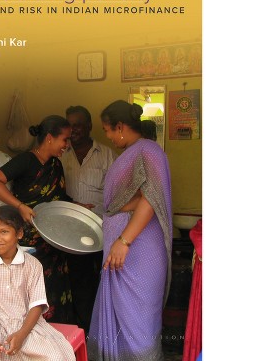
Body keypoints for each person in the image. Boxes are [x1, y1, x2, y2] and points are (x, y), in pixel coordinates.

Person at [87, 100, 172, 361]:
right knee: (122, 314)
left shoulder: (148, 151)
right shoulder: (134, 152)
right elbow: (135, 198)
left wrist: (123, 240)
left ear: (121, 126)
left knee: (138, 319)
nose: (108, 137)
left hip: (138, 249)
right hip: (125, 249)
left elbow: (151, 199)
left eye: (108, 130)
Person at [0, 115, 75, 324]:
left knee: (54, 289)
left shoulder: (56, 165)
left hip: (54, 240)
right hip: (30, 241)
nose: (67, 145)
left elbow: (57, 198)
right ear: (50, 138)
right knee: (31, 291)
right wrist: (19, 206)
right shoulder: (25, 160)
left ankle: (56, 334)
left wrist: (76, 206)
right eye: (64, 139)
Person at [0, 205, 76, 361]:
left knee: (55, 357)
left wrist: (22, 334)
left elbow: (37, 305)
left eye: (4, 232)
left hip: (27, 328)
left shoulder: (32, 265)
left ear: (19, 233)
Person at [60, 105, 117, 332]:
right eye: (70, 125)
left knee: (99, 280)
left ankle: (100, 328)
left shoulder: (106, 154)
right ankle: (80, 329)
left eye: (78, 125)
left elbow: (116, 193)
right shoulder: (61, 152)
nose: (73, 130)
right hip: (68, 231)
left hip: (101, 229)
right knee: (75, 281)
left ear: (89, 126)